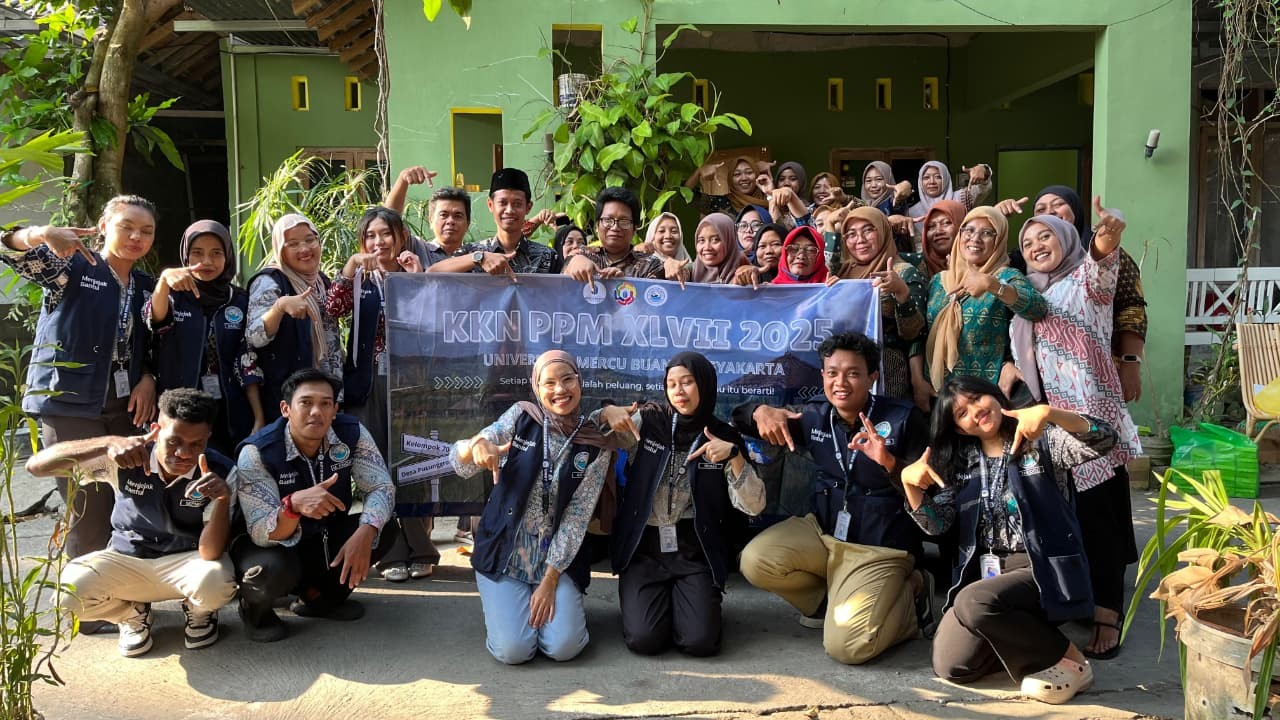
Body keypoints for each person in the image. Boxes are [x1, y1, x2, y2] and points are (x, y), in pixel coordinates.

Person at [900, 377, 1117, 704]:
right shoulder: (960, 465)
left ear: (995, 396)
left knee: (973, 603)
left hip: (1037, 568)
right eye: (961, 412)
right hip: (987, 577)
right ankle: (1017, 637)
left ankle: (1069, 659)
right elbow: (936, 524)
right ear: (959, 429)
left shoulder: (1040, 441)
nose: (975, 411)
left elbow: (1106, 439)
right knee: (952, 665)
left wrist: (1051, 413)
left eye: (977, 398)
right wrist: (910, 486)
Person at [731, 332, 934, 665]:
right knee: (755, 560)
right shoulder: (815, 415)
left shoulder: (903, 418)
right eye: (832, 372)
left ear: (872, 377)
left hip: (878, 547)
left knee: (848, 648)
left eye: (853, 373)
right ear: (822, 375)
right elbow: (741, 420)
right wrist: (758, 411)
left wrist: (891, 464)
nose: (841, 382)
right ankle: (826, 603)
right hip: (824, 533)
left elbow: (930, 493)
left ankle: (913, 595)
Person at [1010, 208, 1141, 661]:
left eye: (1046, 237)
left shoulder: (1085, 281)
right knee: (1070, 519)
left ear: (1067, 240)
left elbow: (1104, 264)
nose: (1036, 247)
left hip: (1093, 420)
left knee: (1100, 521)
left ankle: (1108, 612)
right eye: (1028, 243)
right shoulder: (1028, 298)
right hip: (1049, 424)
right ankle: (1080, 600)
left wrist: (1107, 233)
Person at [0, 195, 159, 565]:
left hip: (124, 409)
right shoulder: (74, 267)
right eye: (127, 227)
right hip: (70, 403)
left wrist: (149, 375)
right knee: (87, 508)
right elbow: (10, 248)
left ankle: (120, 593)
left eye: (146, 231)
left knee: (129, 501)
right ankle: (85, 613)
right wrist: (40, 233)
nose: (136, 236)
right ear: (103, 228)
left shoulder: (145, 286)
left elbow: (156, 340)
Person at [33, 389, 237, 657]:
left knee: (218, 580)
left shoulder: (220, 472)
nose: (183, 454)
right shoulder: (127, 457)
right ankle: (131, 614)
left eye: (195, 444)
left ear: (208, 438)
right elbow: (37, 466)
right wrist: (107, 443)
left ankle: (199, 612)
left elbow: (209, 553)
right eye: (173, 441)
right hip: (127, 558)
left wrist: (222, 499)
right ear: (155, 430)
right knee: (67, 593)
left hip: (185, 562)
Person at [449, 351, 619, 664]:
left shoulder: (594, 441)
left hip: (557, 557)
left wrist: (551, 580)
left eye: (568, 379)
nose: (560, 390)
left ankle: (548, 610)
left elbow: (577, 518)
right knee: (514, 651)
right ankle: (514, 611)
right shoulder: (522, 417)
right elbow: (462, 460)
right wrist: (474, 446)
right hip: (505, 550)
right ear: (536, 388)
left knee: (564, 647)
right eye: (549, 383)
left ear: (580, 382)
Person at [599, 352, 765, 656]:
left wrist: (735, 458)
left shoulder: (723, 436)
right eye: (672, 383)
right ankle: (663, 604)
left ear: (704, 384)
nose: (679, 390)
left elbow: (754, 505)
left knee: (699, 642)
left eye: (687, 382)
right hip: (644, 550)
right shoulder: (649, 421)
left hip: (694, 551)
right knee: (645, 641)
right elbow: (597, 438)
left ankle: (693, 605)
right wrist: (606, 412)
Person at [232, 369, 394, 642]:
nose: (316, 411)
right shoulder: (257, 452)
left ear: (335, 410)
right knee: (268, 569)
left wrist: (367, 530)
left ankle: (318, 599)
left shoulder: (351, 433)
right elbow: (261, 531)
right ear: (286, 409)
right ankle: (255, 610)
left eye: (325, 403)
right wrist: (293, 506)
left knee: (384, 530)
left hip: (323, 534)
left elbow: (381, 487)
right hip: (272, 544)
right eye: (306, 402)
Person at [324, 207, 438, 583]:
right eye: (371, 236)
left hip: (411, 381)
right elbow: (332, 310)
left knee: (411, 461)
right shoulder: (359, 280)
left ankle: (421, 547)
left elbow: (434, 324)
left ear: (400, 237)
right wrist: (347, 269)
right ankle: (390, 550)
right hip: (367, 383)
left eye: (385, 234)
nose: (378, 242)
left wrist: (417, 281)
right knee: (376, 465)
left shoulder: (412, 275)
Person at [1013, 186, 1149, 404]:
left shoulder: (1100, 255)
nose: (1050, 211)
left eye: (1058, 204)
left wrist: (1130, 361)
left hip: (1091, 381)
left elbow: (1131, 306)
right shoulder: (1026, 268)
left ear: (1075, 209)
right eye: (1041, 209)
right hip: (1039, 389)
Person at [147, 220, 260, 457]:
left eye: (216, 253)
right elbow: (155, 320)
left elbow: (250, 359)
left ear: (227, 256)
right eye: (197, 253)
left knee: (226, 476)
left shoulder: (240, 300)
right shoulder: (173, 295)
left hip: (230, 411)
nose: (206, 261)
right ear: (185, 256)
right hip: (181, 410)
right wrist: (164, 281)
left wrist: (258, 416)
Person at [925, 207, 1047, 401]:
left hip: (983, 399)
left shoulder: (1006, 277)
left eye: (987, 233)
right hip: (939, 398)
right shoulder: (939, 281)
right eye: (969, 230)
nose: (975, 239)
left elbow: (1038, 309)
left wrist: (993, 285)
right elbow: (920, 334)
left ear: (998, 241)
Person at [244, 214, 342, 426]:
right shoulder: (269, 281)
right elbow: (254, 337)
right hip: (288, 399)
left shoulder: (322, 282)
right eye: (293, 244)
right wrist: (279, 307)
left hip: (323, 396)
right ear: (280, 249)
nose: (304, 249)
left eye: (310, 239)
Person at [828, 208, 926, 400]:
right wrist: (829, 292)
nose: (860, 240)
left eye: (868, 230)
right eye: (851, 234)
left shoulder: (904, 272)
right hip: (843, 373)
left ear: (883, 231)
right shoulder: (843, 272)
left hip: (887, 372)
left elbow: (914, 334)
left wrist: (901, 291)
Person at [427, 168, 562, 276]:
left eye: (517, 203)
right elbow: (432, 273)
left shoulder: (547, 257)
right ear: (490, 205)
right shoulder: (471, 252)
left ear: (528, 207)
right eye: (502, 203)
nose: (509, 210)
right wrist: (479, 258)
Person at [562, 187, 682, 284]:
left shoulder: (650, 265)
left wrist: (625, 283)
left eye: (624, 221)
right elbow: (559, 293)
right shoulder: (581, 255)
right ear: (597, 226)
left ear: (635, 228)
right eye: (608, 220)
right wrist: (575, 262)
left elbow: (653, 305)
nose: (615, 227)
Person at [907, 162, 993, 236]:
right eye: (926, 177)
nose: (932, 182)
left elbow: (983, 189)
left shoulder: (962, 197)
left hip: (961, 253)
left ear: (946, 179)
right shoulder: (912, 212)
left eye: (938, 177)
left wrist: (984, 170)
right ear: (920, 182)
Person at [690, 213, 750, 285]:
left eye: (715, 239)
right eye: (701, 240)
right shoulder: (689, 272)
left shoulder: (746, 273)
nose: (707, 247)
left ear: (729, 241)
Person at [919, 199, 965, 279]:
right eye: (931, 226)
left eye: (946, 223)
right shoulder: (916, 266)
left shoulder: (982, 266)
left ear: (962, 225)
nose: (938, 231)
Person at [730, 222, 786, 287]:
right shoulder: (747, 274)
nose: (768, 251)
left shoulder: (797, 274)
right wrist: (740, 279)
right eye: (762, 246)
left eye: (776, 244)